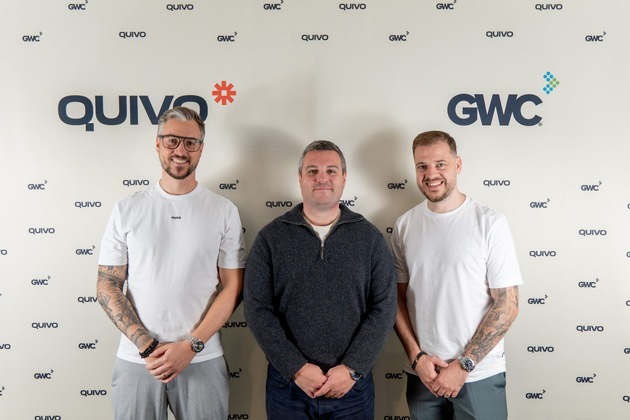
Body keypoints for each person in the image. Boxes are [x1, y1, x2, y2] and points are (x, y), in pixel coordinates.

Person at [96, 106, 246, 419]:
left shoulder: (224, 211)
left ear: (201, 148)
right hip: (138, 360)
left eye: (190, 143)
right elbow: (107, 284)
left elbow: (233, 288)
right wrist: (148, 347)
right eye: (172, 141)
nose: (181, 150)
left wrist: (190, 347)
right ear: (158, 143)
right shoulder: (127, 209)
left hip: (202, 358)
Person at [243, 140, 397, 419]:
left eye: (331, 171)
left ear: (344, 178)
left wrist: (352, 368)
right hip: (288, 387)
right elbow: (257, 308)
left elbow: (384, 307)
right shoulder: (271, 238)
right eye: (312, 171)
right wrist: (296, 368)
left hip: (352, 389)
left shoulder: (370, 239)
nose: (322, 178)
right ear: (300, 177)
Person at [392, 131, 522, 420]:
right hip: (423, 374)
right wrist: (417, 358)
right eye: (422, 166)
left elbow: (508, 304)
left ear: (458, 164)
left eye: (441, 164)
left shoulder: (490, 223)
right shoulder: (404, 226)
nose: (431, 174)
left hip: (478, 374)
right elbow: (396, 300)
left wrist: (464, 365)